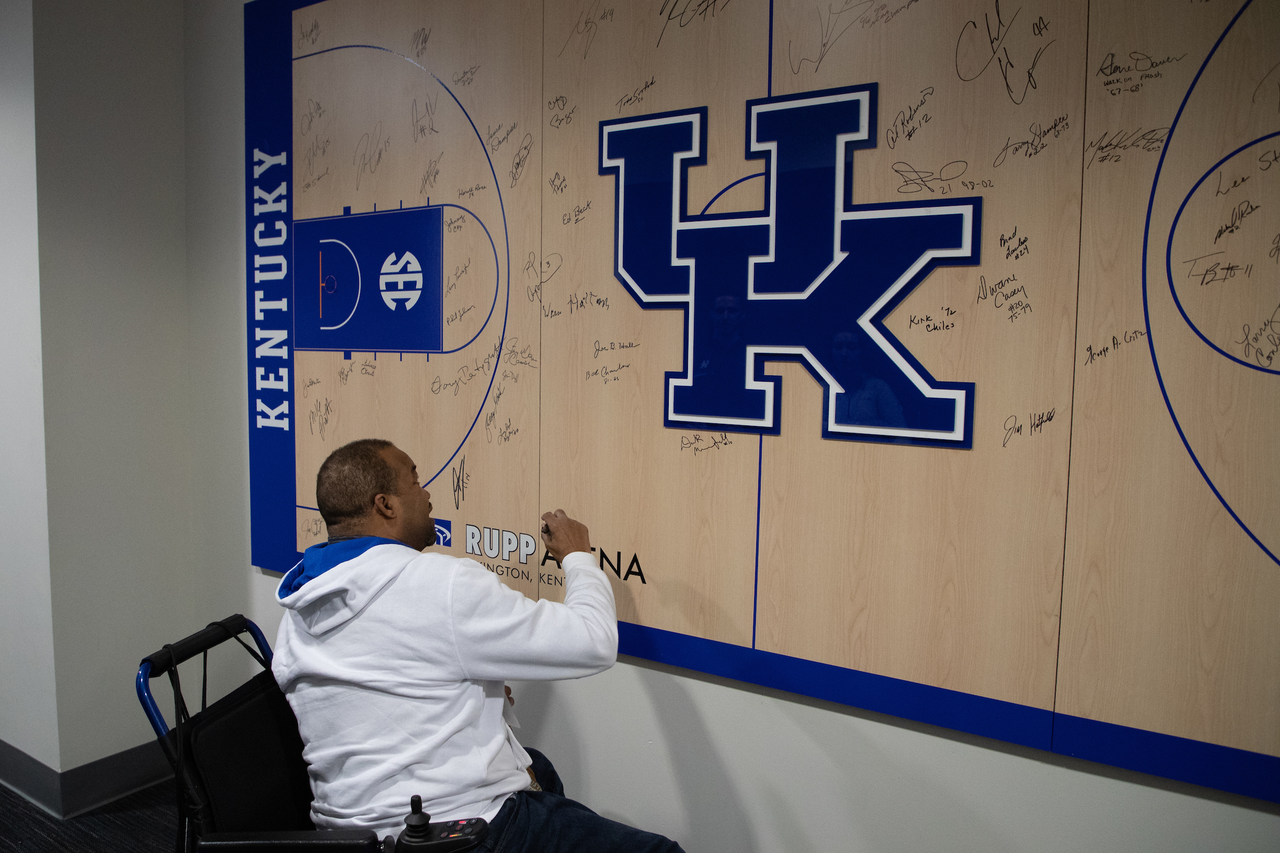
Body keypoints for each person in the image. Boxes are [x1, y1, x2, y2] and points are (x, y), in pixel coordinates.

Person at [272, 438, 684, 852]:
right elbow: (593, 641)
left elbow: (381, 690)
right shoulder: (440, 584)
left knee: (538, 768)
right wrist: (578, 556)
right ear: (386, 505)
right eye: (415, 481)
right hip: (455, 833)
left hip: (349, 836)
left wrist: (476, 693)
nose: (427, 494)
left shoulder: (300, 609)